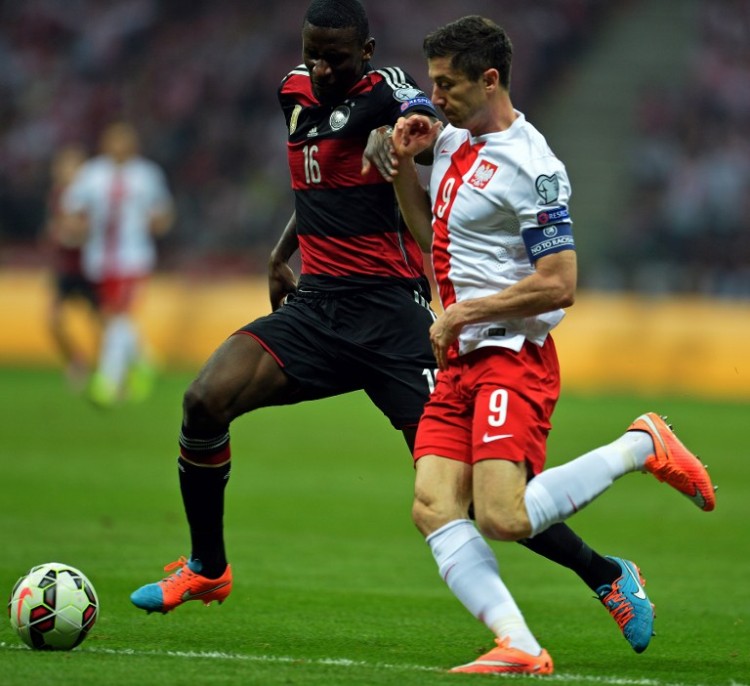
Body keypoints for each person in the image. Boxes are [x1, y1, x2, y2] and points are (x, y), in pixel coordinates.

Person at [131, 0, 658, 656]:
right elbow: (322, 184)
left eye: (337, 56)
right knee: (204, 399)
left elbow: (428, 114)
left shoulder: (391, 95)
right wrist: (281, 251)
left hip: (394, 321)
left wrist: (409, 131)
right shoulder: (292, 91)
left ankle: (606, 574)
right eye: (312, 52)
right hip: (317, 309)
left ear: (369, 51)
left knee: (467, 501)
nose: (322, 68)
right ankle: (208, 567)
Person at [384, 14, 716, 675]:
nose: (436, 97)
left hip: (511, 354)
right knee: (433, 506)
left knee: (503, 516)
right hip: (459, 358)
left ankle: (642, 444)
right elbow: (434, 242)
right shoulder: (453, 143)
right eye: (432, 84)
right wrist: (400, 170)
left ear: (490, 79)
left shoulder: (533, 168)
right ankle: (521, 645)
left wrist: (465, 313)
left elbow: (561, 282)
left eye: (447, 85)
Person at [61, 121, 175, 407]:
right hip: (99, 257)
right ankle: (146, 361)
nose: (119, 146)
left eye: (124, 141)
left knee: (118, 315)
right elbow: (72, 206)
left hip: (133, 256)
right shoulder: (92, 173)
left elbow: (163, 212)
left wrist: (157, 223)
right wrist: (76, 227)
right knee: (115, 318)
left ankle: (108, 382)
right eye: (114, 140)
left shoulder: (147, 174)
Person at [43, 144, 100, 390]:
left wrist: (67, 233)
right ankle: (77, 361)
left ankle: (106, 366)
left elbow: (82, 231)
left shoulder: (92, 196)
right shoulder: (57, 194)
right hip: (66, 267)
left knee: (102, 321)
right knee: (54, 320)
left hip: (89, 267)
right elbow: (56, 229)